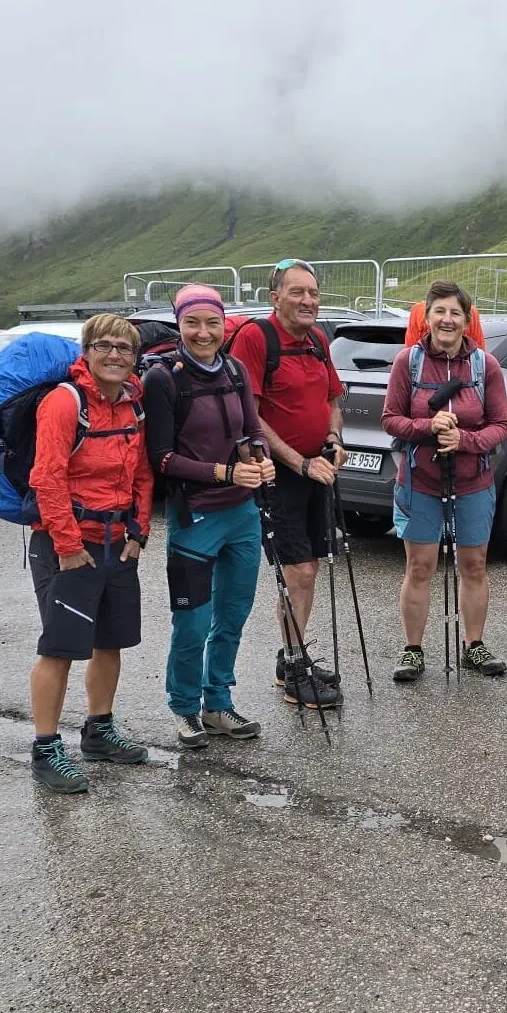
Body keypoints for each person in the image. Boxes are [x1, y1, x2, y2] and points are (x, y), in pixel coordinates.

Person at [26, 313, 153, 794]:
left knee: (110, 642)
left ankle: (98, 732)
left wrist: (139, 532)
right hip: (69, 545)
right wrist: (67, 545)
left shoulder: (133, 405)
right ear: (87, 351)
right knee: (59, 648)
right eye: (105, 345)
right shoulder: (65, 402)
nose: (116, 355)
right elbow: (47, 477)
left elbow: (141, 473)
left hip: (118, 542)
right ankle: (45, 747)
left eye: (125, 348)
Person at [142, 283, 274, 748]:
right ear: (179, 324)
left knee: (233, 614)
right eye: (192, 322)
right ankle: (183, 707)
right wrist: (226, 472)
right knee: (193, 622)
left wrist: (260, 459)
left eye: (212, 322)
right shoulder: (162, 378)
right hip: (194, 516)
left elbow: (252, 430)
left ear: (223, 324)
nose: (203, 332)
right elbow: (159, 458)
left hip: (242, 515)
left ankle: (217, 703)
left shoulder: (235, 368)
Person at [227, 260, 346, 709]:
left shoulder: (317, 339)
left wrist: (334, 438)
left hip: (318, 470)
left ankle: (289, 657)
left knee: (309, 568)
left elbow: (333, 398)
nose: (308, 301)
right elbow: (250, 415)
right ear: (274, 297)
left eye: (313, 293)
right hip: (280, 476)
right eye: (297, 292)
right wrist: (299, 463)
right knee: (298, 572)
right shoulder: (257, 339)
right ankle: (296, 665)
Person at [382, 280, 507, 679]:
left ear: (467, 319)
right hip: (420, 481)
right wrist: (427, 426)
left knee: (473, 565)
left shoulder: (484, 366)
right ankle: (413, 650)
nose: (448, 319)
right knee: (420, 566)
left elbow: (502, 426)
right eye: (440, 311)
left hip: (473, 481)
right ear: (427, 317)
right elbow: (391, 419)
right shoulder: (409, 362)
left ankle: (474, 645)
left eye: (456, 312)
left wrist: (465, 440)